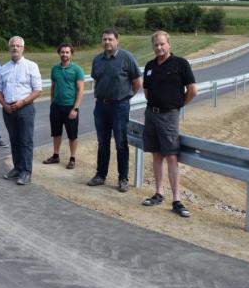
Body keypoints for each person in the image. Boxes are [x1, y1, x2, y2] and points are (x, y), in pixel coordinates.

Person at [141, 31, 198, 218]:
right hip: (151, 115)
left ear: (169, 45)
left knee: (171, 156)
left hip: (169, 116)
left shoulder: (180, 64)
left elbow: (192, 90)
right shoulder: (149, 66)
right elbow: (147, 91)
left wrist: (177, 105)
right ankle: (159, 193)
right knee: (156, 155)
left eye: (162, 44)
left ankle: (176, 199)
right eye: (156, 45)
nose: (159, 47)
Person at [88, 28, 142, 192]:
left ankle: (122, 178)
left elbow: (137, 81)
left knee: (120, 143)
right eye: (104, 39)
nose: (107, 42)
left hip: (120, 106)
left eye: (110, 39)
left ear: (117, 40)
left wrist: (126, 97)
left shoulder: (127, 58)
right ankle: (100, 175)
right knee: (103, 142)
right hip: (101, 106)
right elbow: (97, 80)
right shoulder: (97, 60)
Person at [0, 36, 42, 185]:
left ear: (23, 48)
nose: (15, 48)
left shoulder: (31, 66)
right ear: (9, 48)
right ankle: (17, 167)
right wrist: (4, 105)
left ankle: (26, 172)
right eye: (12, 46)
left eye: (18, 46)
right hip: (8, 109)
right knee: (14, 140)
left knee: (26, 141)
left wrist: (22, 102)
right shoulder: (3, 69)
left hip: (25, 108)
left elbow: (37, 90)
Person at [42, 42, 85, 170]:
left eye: (67, 52)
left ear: (71, 54)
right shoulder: (54, 69)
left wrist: (75, 108)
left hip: (70, 107)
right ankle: (56, 155)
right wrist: (52, 103)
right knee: (56, 133)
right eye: (62, 52)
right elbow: (53, 87)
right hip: (56, 107)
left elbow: (80, 90)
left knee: (72, 135)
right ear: (59, 53)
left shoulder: (77, 70)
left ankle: (72, 158)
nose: (64, 54)